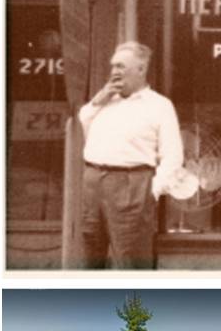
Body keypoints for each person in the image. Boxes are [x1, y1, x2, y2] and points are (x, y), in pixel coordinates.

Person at [78, 41, 183, 269]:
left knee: (132, 261)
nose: (115, 72)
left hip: (132, 184)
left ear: (141, 69)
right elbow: (82, 125)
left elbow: (173, 156)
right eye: (113, 66)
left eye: (121, 66)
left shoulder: (159, 106)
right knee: (90, 257)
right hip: (94, 182)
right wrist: (98, 101)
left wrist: (151, 192)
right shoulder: (104, 102)